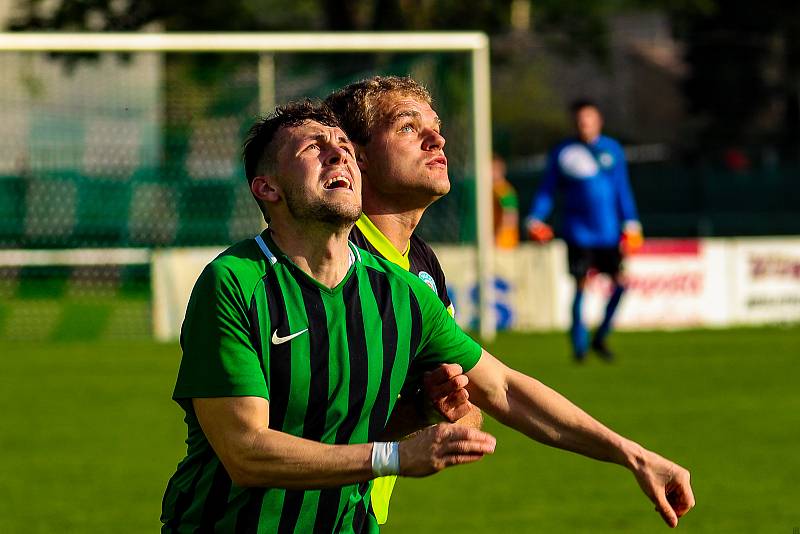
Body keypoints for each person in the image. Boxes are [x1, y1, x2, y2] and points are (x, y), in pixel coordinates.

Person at [161, 101, 694, 533]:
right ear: (267, 188)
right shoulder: (235, 283)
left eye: (343, 146)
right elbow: (245, 452)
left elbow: (504, 388)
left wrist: (633, 454)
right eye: (313, 148)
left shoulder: (402, 292)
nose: (337, 155)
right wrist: (394, 456)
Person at [325, 76, 483, 523]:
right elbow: (314, 427)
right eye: (408, 127)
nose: (438, 138)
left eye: (435, 125)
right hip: (291, 510)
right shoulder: (333, 257)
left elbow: (470, 408)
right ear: (358, 157)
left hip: (359, 512)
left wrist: (442, 405)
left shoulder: (423, 265)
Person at [526, 99, 644, 362]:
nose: (584, 124)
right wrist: (535, 217)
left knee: (621, 284)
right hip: (578, 233)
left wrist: (631, 221)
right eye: (580, 120)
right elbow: (547, 190)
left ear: (598, 121)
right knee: (581, 285)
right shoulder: (563, 152)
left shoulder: (612, 150)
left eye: (588, 119)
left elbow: (621, 189)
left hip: (610, 233)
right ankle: (579, 347)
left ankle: (600, 337)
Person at [491, 153, 520, 249]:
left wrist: (496, 238)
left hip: (504, 244)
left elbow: (510, 216)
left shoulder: (504, 191)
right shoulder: (494, 189)